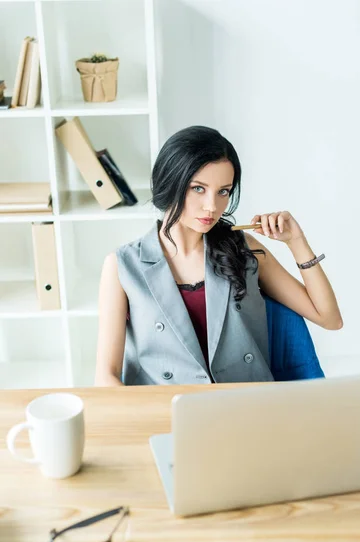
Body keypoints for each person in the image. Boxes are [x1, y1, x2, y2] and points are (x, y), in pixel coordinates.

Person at [95, 125, 342, 387]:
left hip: (245, 409)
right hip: (167, 413)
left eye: (223, 191)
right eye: (198, 189)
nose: (212, 206)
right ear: (171, 182)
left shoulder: (243, 247)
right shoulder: (123, 265)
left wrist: (296, 242)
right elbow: (106, 375)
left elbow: (329, 318)